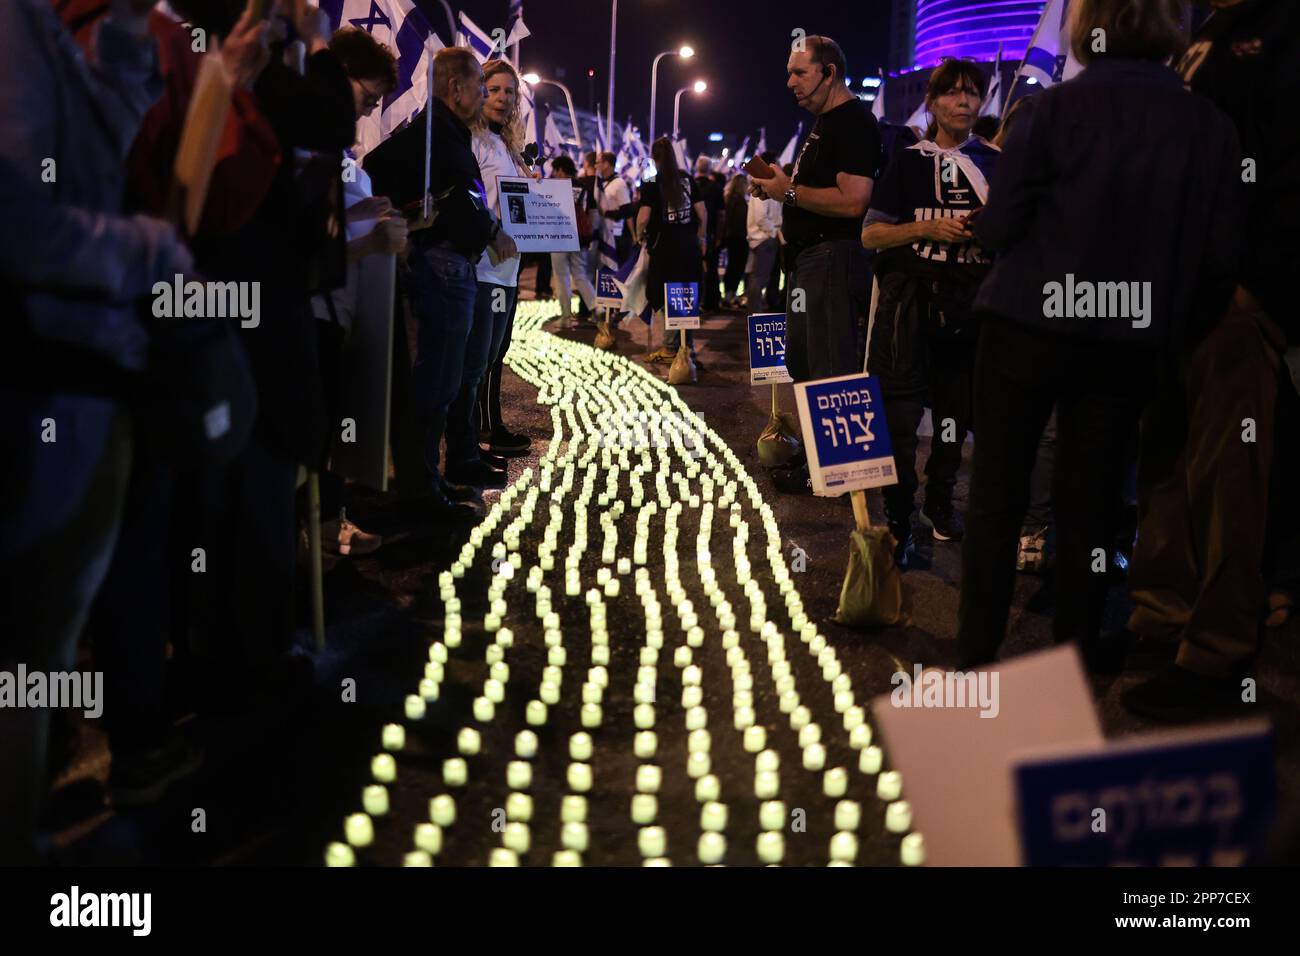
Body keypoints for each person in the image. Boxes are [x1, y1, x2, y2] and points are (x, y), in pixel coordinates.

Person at [955, 0, 1243, 671]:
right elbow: (1220, 257)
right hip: (1123, 342)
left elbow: (999, 228)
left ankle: (974, 663)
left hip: (1024, 324)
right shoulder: (1208, 125)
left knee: (998, 498)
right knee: (1091, 511)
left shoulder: (1049, 113)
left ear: (1088, 32)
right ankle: (1075, 668)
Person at [1, 0, 195, 864]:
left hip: (74, 376)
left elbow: (86, 160)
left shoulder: (47, 30)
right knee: (25, 658)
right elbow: (23, 227)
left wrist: (125, 47)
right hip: (48, 380)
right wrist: (147, 250)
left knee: (37, 652)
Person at [1119, 0, 1300, 721]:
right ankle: (1160, 619)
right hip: (1176, 289)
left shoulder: (1281, 30)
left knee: (1228, 476)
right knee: (1164, 462)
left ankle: (1217, 652)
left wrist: (1258, 286)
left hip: (1233, 292)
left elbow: (1286, 170)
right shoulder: (1208, 32)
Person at [861, 58, 999, 561]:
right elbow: (872, 233)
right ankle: (899, 516)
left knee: (952, 419)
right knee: (899, 419)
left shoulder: (995, 162)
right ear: (934, 102)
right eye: (953, 94)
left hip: (967, 311)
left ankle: (939, 506)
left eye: (972, 94)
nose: (964, 102)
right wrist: (925, 229)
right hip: (909, 310)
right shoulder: (907, 161)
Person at [364, 46, 495, 516]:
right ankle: (418, 493)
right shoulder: (432, 132)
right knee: (438, 378)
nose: (484, 93)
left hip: (453, 263)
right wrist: (405, 207)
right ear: (455, 87)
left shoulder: (450, 132)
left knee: (445, 376)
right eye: (480, 83)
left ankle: (427, 482)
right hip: (441, 266)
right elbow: (376, 167)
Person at [752, 35, 879, 493]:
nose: (790, 83)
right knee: (806, 363)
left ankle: (843, 479)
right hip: (809, 261)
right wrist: (776, 187)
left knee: (830, 367)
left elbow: (853, 202)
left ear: (830, 72)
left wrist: (785, 191)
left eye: (800, 72)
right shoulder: (826, 123)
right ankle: (820, 464)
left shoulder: (852, 122)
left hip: (832, 260)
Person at [309, 25, 404, 554]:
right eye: (367, 98)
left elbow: (334, 222)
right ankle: (310, 540)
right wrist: (366, 246)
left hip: (345, 309)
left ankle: (328, 524)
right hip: (314, 310)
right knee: (314, 430)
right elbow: (296, 247)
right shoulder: (305, 147)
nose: (368, 113)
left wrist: (369, 214)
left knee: (334, 427)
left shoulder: (340, 154)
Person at [455, 58, 530, 481]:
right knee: (476, 359)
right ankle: (472, 442)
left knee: (494, 354)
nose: (503, 98)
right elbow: (471, 202)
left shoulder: (504, 144)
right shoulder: (472, 141)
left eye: (509, 92)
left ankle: (488, 430)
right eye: (495, 89)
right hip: (484, 267)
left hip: (509, 267)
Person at [638, 137, 707, 367]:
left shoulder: (651, 181)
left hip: (664, 248)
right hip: (689, 248)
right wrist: (701, 237)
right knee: (687, 296)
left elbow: (644, 216)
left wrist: (639, 234)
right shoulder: (687, 179)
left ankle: (669, 347)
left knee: (664, 296)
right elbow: (702, 212)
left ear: (655, 157)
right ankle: (688, 347)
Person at [549, 155, 599, 324]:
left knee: (561, 276)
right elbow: (592, 213)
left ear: (560, 170)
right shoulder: (583, 186)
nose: (554, 175)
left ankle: (565, 316)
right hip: (580, 238)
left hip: (558, 237)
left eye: (554, 171)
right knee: (580, 275)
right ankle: (596, 306)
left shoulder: (554, 187)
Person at [745, 151, 783, 310]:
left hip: (764, 237)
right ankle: (755, 314)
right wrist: (774, 232)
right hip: (764, 239)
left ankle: (761, 311)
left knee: (763, 278)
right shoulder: (762, 186)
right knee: (759, 278)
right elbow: (761, 217)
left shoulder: (764, 185)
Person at [694, 156, 725, 311]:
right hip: (710, 234)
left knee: (694, 269)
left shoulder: (689, 185)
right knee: (711, 269)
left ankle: (696, 301)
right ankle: (710, 302)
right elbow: (721, 214)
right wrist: (719, 236)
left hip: (692, 234)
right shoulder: (716, 187)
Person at [721, 172, 751, 308]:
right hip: (739, 239)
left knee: (732, 266)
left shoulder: (728, 199)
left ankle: (729, 294)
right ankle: (731, 295)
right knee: (737, 267)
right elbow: (741, 222)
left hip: (731, 238)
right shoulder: (740, 202)